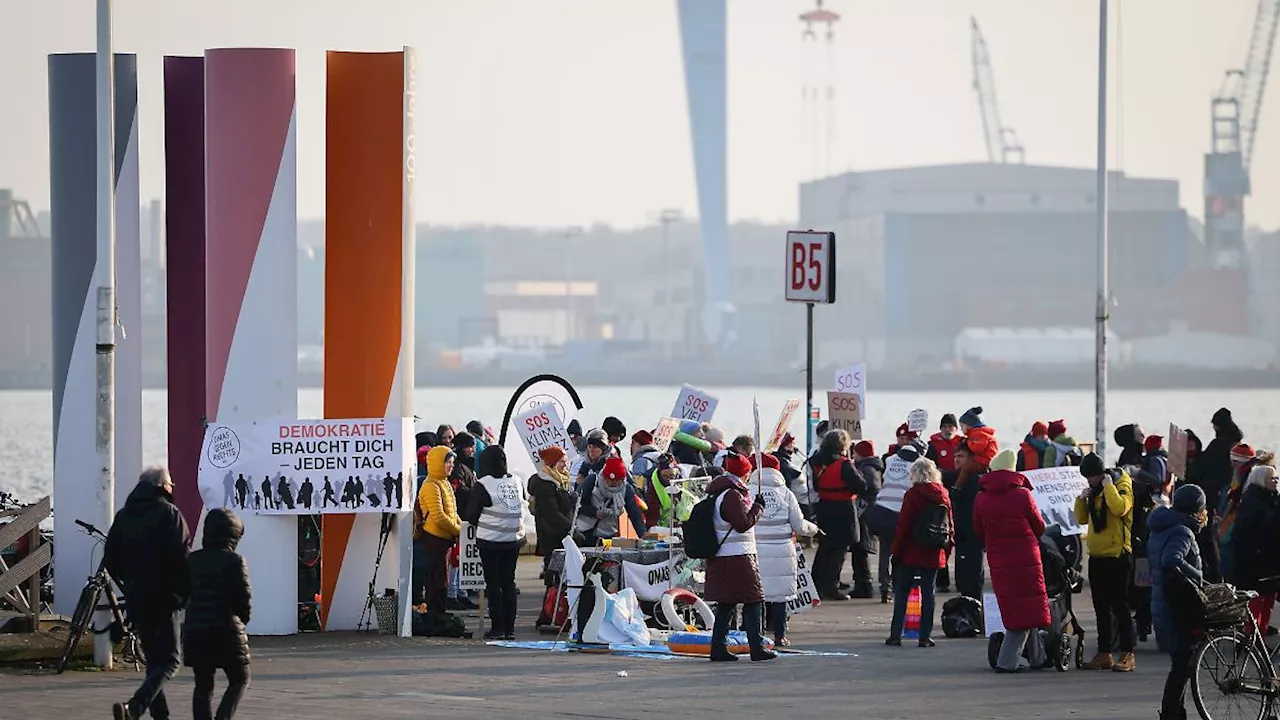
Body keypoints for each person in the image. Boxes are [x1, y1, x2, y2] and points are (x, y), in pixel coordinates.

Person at [105, 467, 192, 720]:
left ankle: (160, 715)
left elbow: (111, 558)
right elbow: (182, 557)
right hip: (167, 598)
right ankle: (135, 707)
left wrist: (130, 580)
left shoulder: (124, 515)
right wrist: (185, 593)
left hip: (137, 597)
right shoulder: (170, 514)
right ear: (163, 486)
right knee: (170, 661)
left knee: (154, 661)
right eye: (171, 485)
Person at [974, 450, 1050, 672]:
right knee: (1027, 607)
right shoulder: (1023, 494)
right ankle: (1007, 662)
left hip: (999, 558)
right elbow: (1039, 526)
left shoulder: (981, 497)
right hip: (1026, 556)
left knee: (1019, 606)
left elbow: (978, 529)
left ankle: (1037, 657)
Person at [703, 456, 774, 661]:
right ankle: (756, 646)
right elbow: (743, 524)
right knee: (753, 600)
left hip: (723, 556)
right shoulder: (732, 495)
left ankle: (718, 648)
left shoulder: (718, 493)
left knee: (726, 603)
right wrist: (758, 507)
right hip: (738, 556)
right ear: (743, 473)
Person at [182, 508, 251, 720]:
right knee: (239, 678)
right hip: (226, 630)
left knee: (203, 685)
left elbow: (183, 594)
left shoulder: (192, 560)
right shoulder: (235, 561)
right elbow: (243, 600)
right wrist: (243, 619)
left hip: (196, 630)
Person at [1074, 453, 1136, 672]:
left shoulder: (1121, 484)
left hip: (1118, 554)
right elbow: (1081, 519)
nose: (1089, 481)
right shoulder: (1095, 491)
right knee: (1100, 607)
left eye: (1091, 477)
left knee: (1120, 606)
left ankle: (1128, 654)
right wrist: (1082, 499)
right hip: (1098, 555)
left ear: (1102, 474)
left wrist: (1109, 487)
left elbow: (1121, 509)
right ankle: (1104, 653)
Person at [1149, 485, 1206, 720]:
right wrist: (1198, 576)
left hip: (1164, 601)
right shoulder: (1183, 531)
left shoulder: (1162, 526)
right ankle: (1171, 713)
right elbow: (1171, 560)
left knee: (1181, 664)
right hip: (1177, 605)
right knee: (1182, 665)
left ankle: (1175, 712)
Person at [464, 446, 532, 640]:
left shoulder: (483, 484)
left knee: (493, 585)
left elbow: (471, 515)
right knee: (509, 582)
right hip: (514, 540)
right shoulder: (517, 481)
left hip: (491, 541)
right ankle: (510, 629)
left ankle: (498, 628)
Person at [753, 454, 819, 647]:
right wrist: (813, 529)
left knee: (756, 595)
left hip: (754, 549)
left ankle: (757, 636)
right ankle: (780, 636)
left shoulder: (748, 491)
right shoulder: (786, 493)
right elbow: (799, 526)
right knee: (780, 595)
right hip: (782, 549)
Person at [886, 458, 953, 647]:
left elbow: (904, 526)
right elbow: (950, 526)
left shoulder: (913, 494)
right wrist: (946, 551)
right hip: (933, 550)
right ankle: (925, 636)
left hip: (911, 550)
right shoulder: (943, 495)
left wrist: (896, 551)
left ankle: (895, 634)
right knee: (928, 593)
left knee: (902, 592)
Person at [808, 429, 868, 600]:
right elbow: (861, 486)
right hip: (843, 508)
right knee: (839, 549)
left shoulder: (816, 462)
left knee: (826, 546)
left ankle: (817, 582)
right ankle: (831, 586)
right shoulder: (844, 464)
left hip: (824, 506)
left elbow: (816, 485)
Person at [1186, 407, 1243, 582]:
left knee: (1210, 536)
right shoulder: (1235, 444)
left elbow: (1200, 468)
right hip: (1229, 493)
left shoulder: (1218, 445)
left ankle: (1214, 574)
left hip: (1213, 495)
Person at [1232, 464, 1280, 634]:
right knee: (1258, 600)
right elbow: (1264, 528)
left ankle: (1260, 632)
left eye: (1276, 478)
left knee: (1268, 599)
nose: (1275, 481)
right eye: (1271, 478)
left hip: (1267, 560)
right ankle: (1252, 635)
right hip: (1256, 561)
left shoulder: (1268, 498)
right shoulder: (1253, 501)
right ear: (1261, 480)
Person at [416, 446, 462, 616]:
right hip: (434, 538)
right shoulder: (430, 485)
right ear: (437, 464)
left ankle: (440, 611)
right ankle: (435, 613)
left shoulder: (444, 483)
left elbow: (453, 512)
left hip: (444, 539)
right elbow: (439, 517)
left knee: (443, 578)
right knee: (437, 578)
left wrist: (460, 527)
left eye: (452, 463)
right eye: (448, 462)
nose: (451, 466)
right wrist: (459, 530)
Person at [951, 438, 993, 600]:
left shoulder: (975, 480)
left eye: (960, 456)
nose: (956, 460)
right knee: (963, 577)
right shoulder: (957, 478)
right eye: (955, 456)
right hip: (961, 535)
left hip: (972, 534)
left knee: (972, 576)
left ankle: (975, 611)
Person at [854, 440, 894, 603]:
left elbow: (871, 489)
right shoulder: (872, 467)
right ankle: (866, 583)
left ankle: (866, 584)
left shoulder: (867, 469)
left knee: (863, 547)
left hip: (867, 512)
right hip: (871, 511)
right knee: (864, 548)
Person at [575, 456, 647, 544]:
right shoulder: (592, 480)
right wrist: (594, 512)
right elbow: (574, 504)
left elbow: (635, 515)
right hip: (584, 533)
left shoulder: (626, 489)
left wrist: (644, 538)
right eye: (609, 480)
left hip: (608, 535)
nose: (613, 483)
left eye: (617, 480)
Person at [643, 453, 685, 528]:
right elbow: (652, 513)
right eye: (665, 476)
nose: (669, 479)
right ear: (660, 474)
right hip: (661, 527)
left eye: (672, 476)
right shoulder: (653, 486)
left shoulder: (683, 479)